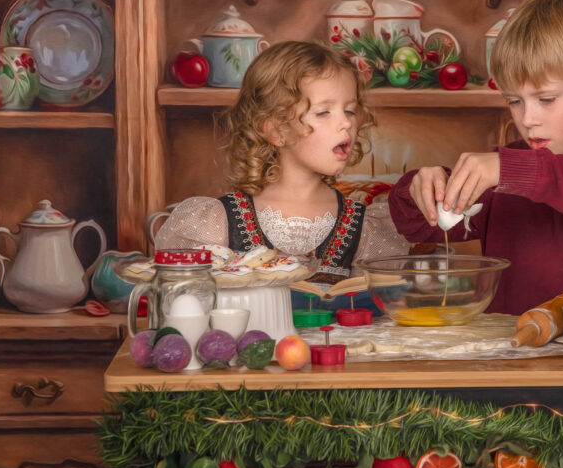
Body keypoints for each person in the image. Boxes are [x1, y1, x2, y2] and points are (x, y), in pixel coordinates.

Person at [388, 0, 563, 314]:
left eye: (546, 99)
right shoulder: (503, 173)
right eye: (515, 101)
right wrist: (419, 187)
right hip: (510, 357)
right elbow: (415, 225)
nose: (527, 119)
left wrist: (512, 171)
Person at [154, 41, 408, 312]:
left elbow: (377, 318)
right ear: (276, 131)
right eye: (323, 112)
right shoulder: (216, 222)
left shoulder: (365, 226)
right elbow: (186, 309)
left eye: (349, 110)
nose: (346, 122)